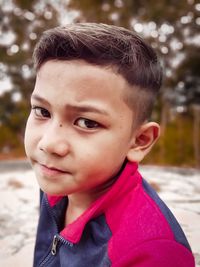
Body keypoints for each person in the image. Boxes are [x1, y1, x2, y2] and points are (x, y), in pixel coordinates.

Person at [24, 23, 195, 267]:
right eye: (42, 111)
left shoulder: (152, 254)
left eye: (87, 122)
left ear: (139, 141)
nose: (49, 144)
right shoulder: (57, 181)